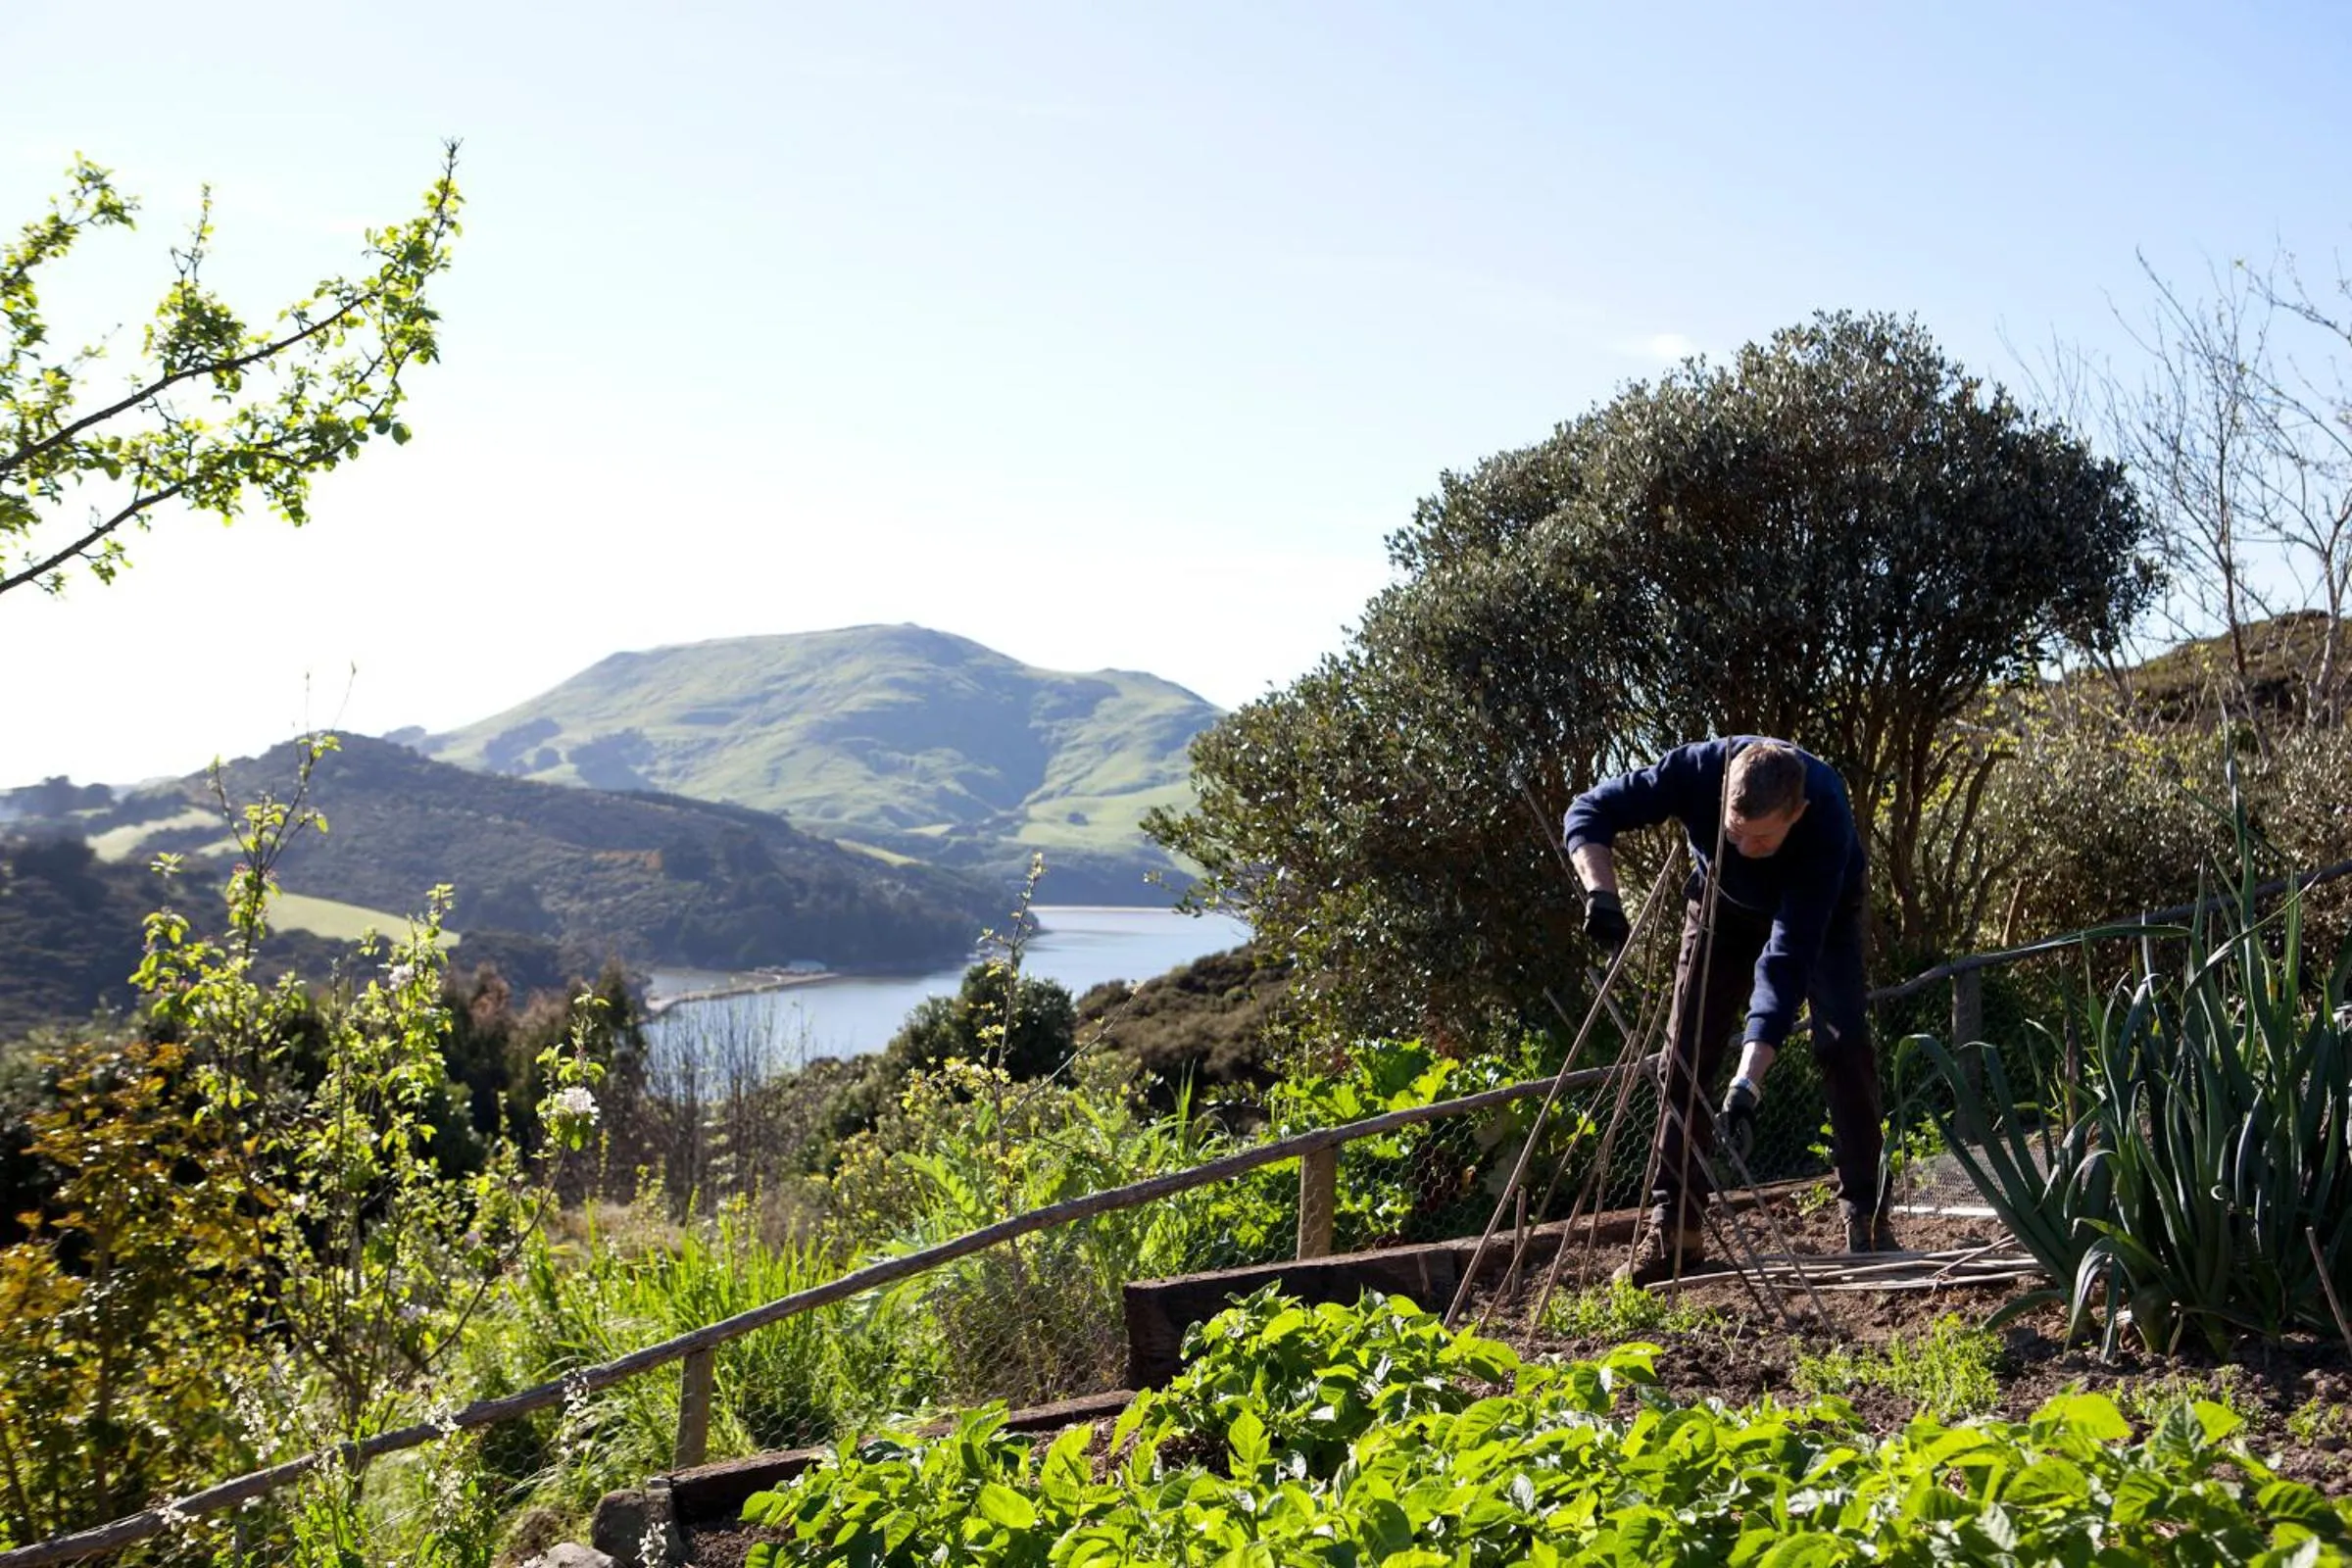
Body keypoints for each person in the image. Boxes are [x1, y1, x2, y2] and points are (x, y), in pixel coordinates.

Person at [1562, 736, 1892, 1285]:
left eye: (1761, 840)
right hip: (1720, 905)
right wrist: (1601, 894)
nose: (1745, 847)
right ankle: (1674, 1230)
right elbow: (1590, 809)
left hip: (1822, 916)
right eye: (1734, 833)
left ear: (1797, 813)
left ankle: (1866, 1211)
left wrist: (1748, 1084)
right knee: (1683, 1056)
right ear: (1723, 797)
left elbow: (1785, 961)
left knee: (1844, 1043)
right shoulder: (1695, 771)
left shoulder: (1826, 818)